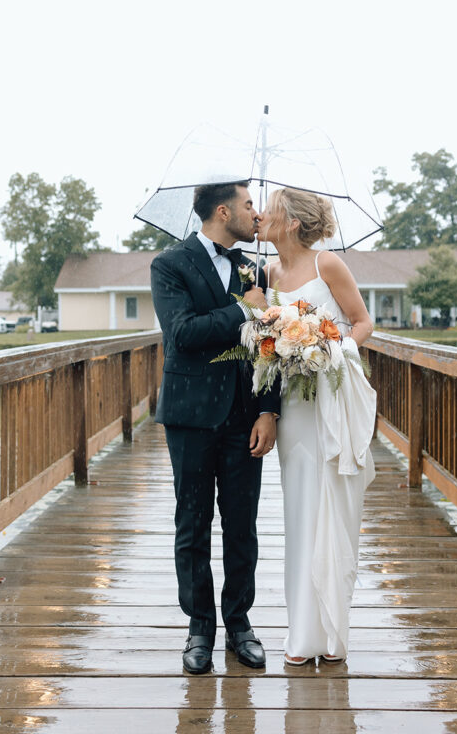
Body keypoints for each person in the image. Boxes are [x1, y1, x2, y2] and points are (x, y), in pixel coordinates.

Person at [150, 180, 280, 675]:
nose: (256, 213)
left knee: (242, 527)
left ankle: (240, 624)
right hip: (189, 416)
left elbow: (270, 344)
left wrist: (269, 410)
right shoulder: (169, 264)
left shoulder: (254, 266)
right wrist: (244, 308)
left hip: (246, 416)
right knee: (193, 524)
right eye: (249, 205)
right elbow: (181, 334)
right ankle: (199, 627)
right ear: (223, 212)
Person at [256, 187, 377, 665]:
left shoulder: (328, 264)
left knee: (332, 508)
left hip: (328, 396)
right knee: (299, 513)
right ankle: (303, 633)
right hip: (292, 407)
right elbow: (263, 338)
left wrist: (328, 348)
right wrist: (275, 338)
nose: (260, 214)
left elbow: (362, 322)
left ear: (290, 222)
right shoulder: (267, 272)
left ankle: (331, 634)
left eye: (271, 210)